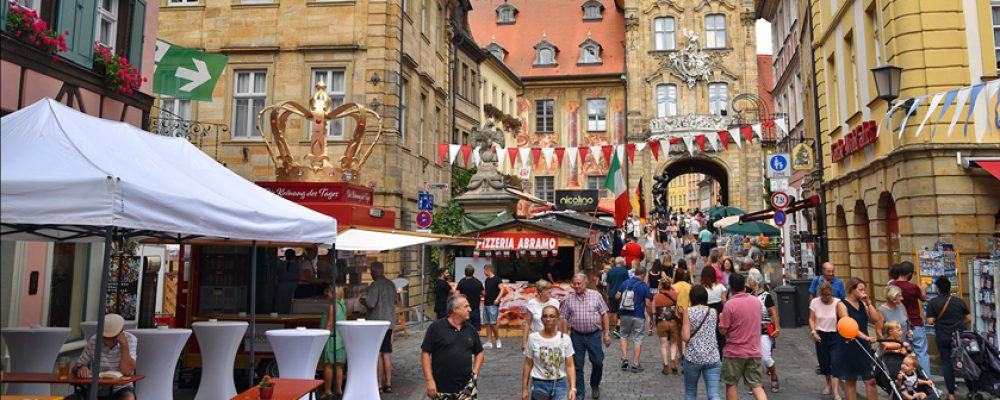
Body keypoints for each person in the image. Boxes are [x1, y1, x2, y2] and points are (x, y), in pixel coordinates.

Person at [421, 294, 485, 399]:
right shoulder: (436, 328)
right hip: (441, 389)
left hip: (466, 390)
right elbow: (425, 353)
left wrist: (474, 375)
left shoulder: (471, 329)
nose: (470, 309)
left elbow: (480, 352)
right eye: (466, 306)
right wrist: (429, 380)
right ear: (455, 309)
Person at [560, 273, 611, 399]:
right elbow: (564, 318)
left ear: (585, 283)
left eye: (579, 283)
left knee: (598, 362)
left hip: (594, 335)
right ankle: (580, 393)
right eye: (574, 284)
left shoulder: (596, 295)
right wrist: (564, 336)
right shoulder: (569, 299)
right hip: (577, 336)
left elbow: (604, 314)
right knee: (577, 365)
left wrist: (607, 333)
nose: (576, 286)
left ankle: (595, 385)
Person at [718, 273, 767, 400]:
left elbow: (723, 330)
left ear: (731, 287)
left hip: (734, 352)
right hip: (754, 350)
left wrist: (720, 320)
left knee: (732, 384)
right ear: (744, 286)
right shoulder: (756, 302)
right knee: (756, 385)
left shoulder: (730, 305)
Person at [833, 277, 881, 400]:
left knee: (870, 380)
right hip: (848, 346)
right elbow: (848, 325)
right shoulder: (842, 305)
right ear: (852, 289)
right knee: (850, 380)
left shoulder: (862, 304)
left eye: (864, 290)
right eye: (860, 289)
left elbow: (875, 319)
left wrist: (869, 303)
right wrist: (866, 337)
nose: (863, 292)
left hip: (863, 346)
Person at [924, 277, 971, 400]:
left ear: (937, 289)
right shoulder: (959, 301)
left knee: (946, 363)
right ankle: (971, 389)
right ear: (950, 288)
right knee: (964, 360)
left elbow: (930, 321)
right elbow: (968, 319)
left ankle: (951, 394)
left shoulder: (933, 303)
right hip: (959, 336)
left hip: (943, 336)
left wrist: (937, 321)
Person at [73, 313, 137, 400]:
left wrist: (124, 345)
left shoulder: (130, 340)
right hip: (96, 387)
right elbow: (76, 367)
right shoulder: (94, 340)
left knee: (128, 398)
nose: (107, 340)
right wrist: (81, 368)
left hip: (120, 388)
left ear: (120, 333)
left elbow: (127, 371)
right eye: (105, 337)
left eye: (112, 337)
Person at [522, 305, 577, 400]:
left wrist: (573, 388)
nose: (548, 319)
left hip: (559, 385)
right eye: (545, 316)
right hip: (539, 384)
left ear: (557, 319)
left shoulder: (565, 339)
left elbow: (570, 365)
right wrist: (524, 388)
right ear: (541, 319)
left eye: (552, 316)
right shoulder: (533, 338)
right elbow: (528, 364)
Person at [360, 261, 397, 393]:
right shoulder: (391, 284)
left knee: (378, 353)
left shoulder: (375, 285)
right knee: (387, 353)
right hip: (389, 322)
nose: (371, 274)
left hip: (376, 323)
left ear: (375, 272)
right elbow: (396, 301)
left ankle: (379, 384)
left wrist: (362, 300)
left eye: (371, 272)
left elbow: (371, 304)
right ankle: (388, 383)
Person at [682, 285, 721, 400]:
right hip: (712, 357)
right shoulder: (713, 312)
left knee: (690, 392)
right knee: (714, 394)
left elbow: (686, 337)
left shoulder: (688, 312)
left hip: (693, 357)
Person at [890, 261, 930, 374]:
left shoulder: (892, 286)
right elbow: (923, 298)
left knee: (901, 352)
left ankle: (903, 380)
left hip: (899, 326)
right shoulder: (913, 287)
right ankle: (927, 382)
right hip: (915, 323)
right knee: (921, 353)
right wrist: (922, 288)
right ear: (909, 274)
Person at [614, 266, 653, 373]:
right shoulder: (644, 286)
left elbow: (617, 296)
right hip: (638, 315)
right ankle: (635, 364)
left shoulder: (625, 283)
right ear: (644, 275)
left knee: (624, 335)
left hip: (624, 314)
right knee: (637, 338)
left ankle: (625, 358)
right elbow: (648, 304)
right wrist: (651, 317)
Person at [747, 269, 780, 393]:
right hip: (752, 331)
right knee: (754, 358)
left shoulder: (766, 296)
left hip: (764, 330)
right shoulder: (749, 296)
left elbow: (773, 313)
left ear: (755, 281)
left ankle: (773, 376)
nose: (748, 281)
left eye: (750, 279)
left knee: (766, 357)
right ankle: (756, 383)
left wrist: (776, 328)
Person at [809, 282, 841, 400]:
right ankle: (829, 384)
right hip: (821, 335)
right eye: (824, 295)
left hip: (835, 335)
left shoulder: (838, 302)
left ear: (831, 293)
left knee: (836, 361)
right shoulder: (815, 302)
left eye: (828, 295)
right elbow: (811, 319)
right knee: (824, 362)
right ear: (820, 294)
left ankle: (836, 390)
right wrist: (813, 332)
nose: (826, 298)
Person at [320, 285, 346, 399]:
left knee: (328, 365)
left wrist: (323, 335)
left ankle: (327, 390)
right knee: (339, 365)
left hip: (332, 338)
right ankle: (339, 389)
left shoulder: (332, 305)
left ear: (334, 293)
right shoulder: (342, 305)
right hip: (341, 338)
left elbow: (330, 323)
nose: (326, 293)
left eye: (328, 291)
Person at [523, 279, 561, 351]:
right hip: (537, 340)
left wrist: (562, 338)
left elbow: (558, 321)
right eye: (546, 289)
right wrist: (524, 342)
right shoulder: (532, 303)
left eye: (550, 289)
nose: (550, 291)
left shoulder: (555, 302)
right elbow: (527, 323)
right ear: (540, 292)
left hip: (553, 339)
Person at [654, 277, 681, 375]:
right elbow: (677, 290)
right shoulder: (674, 295)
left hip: (661, 322)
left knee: (663, 345)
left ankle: (665, 366)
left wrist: (660, 285)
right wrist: (671, 285)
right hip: (673, 322)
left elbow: (653, 311)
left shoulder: (657, 297)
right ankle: (673, 361)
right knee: (673, 343)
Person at [701, 266, 727, 354]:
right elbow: (724, 301)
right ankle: (720, 355)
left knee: (708, 334)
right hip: (719, 310)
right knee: (720, 336)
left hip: (707, 311)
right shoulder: (720, 287)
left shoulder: (702, 288)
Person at [604, 257, 630, 337]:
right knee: (621, 311)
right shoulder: (624, 271)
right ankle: (618, 328)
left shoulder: (610, 271)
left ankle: (612, 327)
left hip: (612, 293)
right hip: (621, 294)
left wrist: (608, 294)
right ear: (621, 262)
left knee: (613, 311)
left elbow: (607, 284)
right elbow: (627, 283)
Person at [456, 265, 484, 332]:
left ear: (465, 272)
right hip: (475, 308)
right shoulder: (478, 282)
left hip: (464, 308)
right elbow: (484, 293)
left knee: (465, 327)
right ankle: (476, 341)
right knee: (476, 328)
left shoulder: (461, 282)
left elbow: (457, 295)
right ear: (473, 272)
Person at [483, 264, 502, 349]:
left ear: (488, 269)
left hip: (493, 304)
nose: (483, 272)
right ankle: (489, 341)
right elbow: (487, 292)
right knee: (487, 323)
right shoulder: (487, 280)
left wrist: (497, 299)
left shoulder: (497, 279)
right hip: (486, 303)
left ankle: (498, 339)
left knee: (493, 323)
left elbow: (502, 289)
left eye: (484, 270)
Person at [275, 249, 300, 314]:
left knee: (281, 302)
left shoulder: (280, 264)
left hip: (282, 285)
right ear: (294, 256)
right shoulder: (297, 265)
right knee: (291, 302)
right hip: (293, 285)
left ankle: (281, 315)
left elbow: (277, 274)